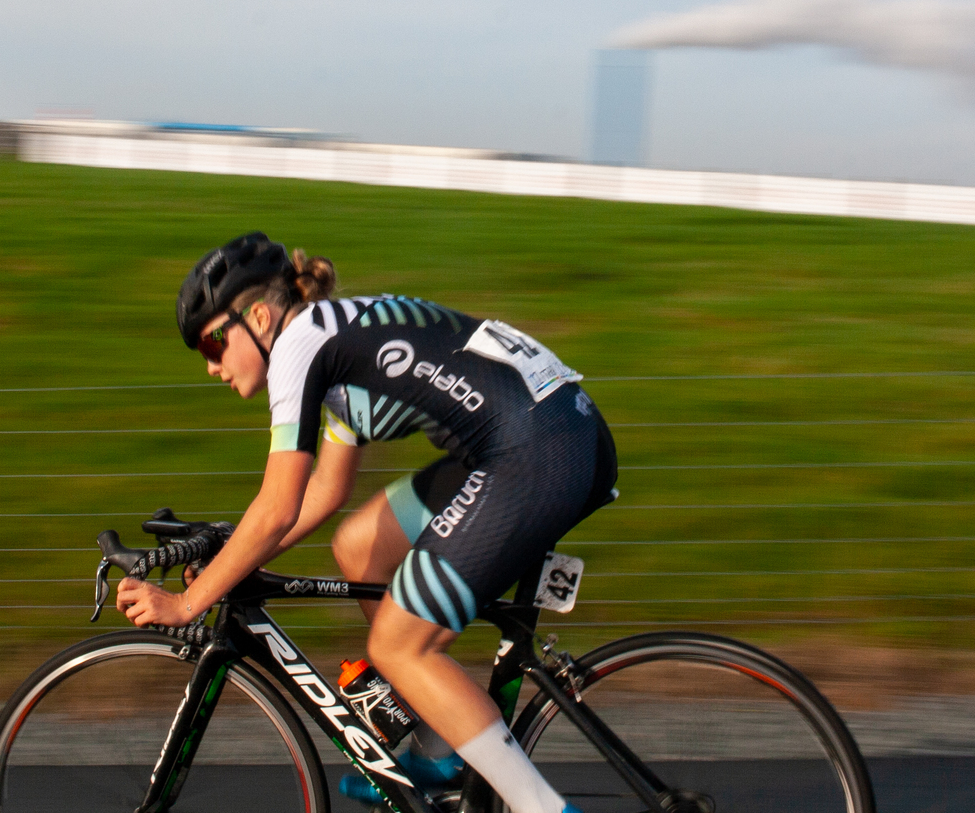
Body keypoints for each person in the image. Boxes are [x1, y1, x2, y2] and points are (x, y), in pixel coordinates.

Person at [116, 231, 618, 813]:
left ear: (255, 315)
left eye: (210, 346)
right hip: (545, 435)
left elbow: (278, 507)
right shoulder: (331, 342)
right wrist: (228, 550)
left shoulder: (301, 346)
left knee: (400, 645)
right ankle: (437, 752)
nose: (211, 368)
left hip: (536, 452)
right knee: (359, 546)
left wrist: (189, 603)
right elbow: (324, 493)